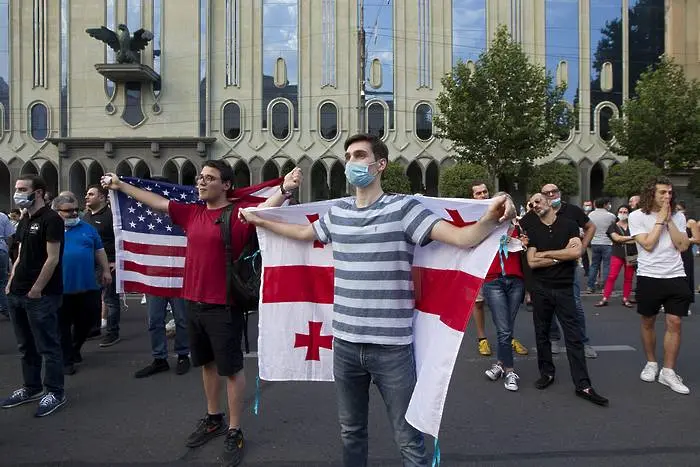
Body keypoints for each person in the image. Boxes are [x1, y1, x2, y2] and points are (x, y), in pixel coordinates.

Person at [239, 134, 515, 466]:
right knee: (350, 432)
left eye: (358, 155)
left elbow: (461, 237)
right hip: (344, 345)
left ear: (379, 164)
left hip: (392, 349)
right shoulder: (338, 212)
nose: (351, 162)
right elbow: (301, 233)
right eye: (348, 157)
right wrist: (258, 218)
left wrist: (489, 216)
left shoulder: (404, 209)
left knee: (408, 438)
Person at [102, 159, 302, 467]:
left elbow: (265, 208)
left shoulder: (236, 215)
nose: (201, 182)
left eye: (209, 178)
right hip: (192, 302)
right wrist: (121, 185)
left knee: (232, 370)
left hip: (223, 306)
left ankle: (234, 430)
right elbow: (157, 202)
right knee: (207, 365)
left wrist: (286, 190)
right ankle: (214, 418)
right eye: (200, 177)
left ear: (226, 185)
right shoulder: (192, 212)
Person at [525, 193, 608, 406]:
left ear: (549, 202)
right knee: (542, 333)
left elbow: (576, 253)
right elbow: (532, 262)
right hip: (541, 289)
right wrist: (559, 256)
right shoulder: (533, 229)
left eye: (538, 200)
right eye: (532, 203)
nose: (535, 205)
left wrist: (547, 255)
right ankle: (547, 373)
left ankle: (583, 385)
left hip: (564, 289)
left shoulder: (569, 224)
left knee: (573, 337)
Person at [1, 174, 67, 417]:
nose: (17, 192)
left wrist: (37, 289)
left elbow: (53, 258)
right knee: (25, 345)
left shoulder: (51, 219)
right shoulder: (25, 219)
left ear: (38, 192)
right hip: (17, 293)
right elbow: (19, 255)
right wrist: (10, 283)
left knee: (48, 346)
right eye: (17, 188)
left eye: (22, 189)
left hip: (41, 296)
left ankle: (55, 391)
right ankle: (31, 387)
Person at [519, 184, 598, 358]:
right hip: (544, 273)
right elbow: (518, 230)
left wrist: (583, 248)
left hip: (567, 272)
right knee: (548, 309)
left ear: (558, 194)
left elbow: (590, 227)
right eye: (546, 193)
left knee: (575, 306)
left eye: (553, 192)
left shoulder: (572, 212)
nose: (551, 194)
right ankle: (554, 337)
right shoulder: (534, 215)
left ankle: (583, 342)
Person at [629, 176, 691, 395]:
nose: (667, 196)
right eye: (663, 192)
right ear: (651, 194)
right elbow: (647, 244)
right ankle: (652, 362)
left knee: (675, 322)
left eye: (670, 193)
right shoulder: (637, 216)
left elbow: (683, 245)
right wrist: (659, 220)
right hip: (649, 276)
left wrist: (669, 220)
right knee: (648, 321)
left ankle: (668, 371)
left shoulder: (678, 216)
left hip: (676, 275)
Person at [52, 193, 111, 375]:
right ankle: (67, 359)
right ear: (57, 212)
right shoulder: (51, 230)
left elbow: (99, 250)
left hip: (87, 285)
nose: (73, 214)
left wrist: (106, 270)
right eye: (68, 211)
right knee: (62, 325)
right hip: (60, 287)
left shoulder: (88, 228)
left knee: (88, 323)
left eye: (76, 210)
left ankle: (74, 347)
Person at [470, 181, 528, 358]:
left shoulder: (507, 218)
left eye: (485, 192)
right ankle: (482, 339)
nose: (482, 195)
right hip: (481, 269)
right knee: (479, 303)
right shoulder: (473, 217)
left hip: (505, 272)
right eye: (478, 193)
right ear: (472, 196)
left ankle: (508, 338)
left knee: (506, 308)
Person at [482, 213, 527, 391]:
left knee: (507, 328)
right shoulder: (485, 228)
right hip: (493, 282)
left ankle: (500, 364)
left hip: (516, 281)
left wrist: (524, 243)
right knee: (504, 329)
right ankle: (510, 371)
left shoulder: (520, 228)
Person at [83, 185, 120, 346]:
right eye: (86, 194)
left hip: (109, 264)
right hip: (89, 265)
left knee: (110, 300)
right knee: (91, 299)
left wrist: (118, 262)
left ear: (102, 198)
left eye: (91, 194)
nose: (86, 197)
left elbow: (121, 239)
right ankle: (94, 328)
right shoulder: (86, 217)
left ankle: (113, 332)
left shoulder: (112, 216)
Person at [134, 294, 190, 378]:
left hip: (178, 283)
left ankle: (183, 355)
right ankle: (159, 359)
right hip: (155, 283)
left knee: (181, 319)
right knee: (154, 320)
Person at [596, 205, 637, 308]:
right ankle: (605, 297)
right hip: (617, 253)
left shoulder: (633, 226)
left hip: (631, 255)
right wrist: (632, 238)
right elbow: (616, 238)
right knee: (612, 276)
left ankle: (625, 298)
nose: (623, 213)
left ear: (629, 214)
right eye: (621, 211)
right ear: (617, 213)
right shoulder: (613, 226)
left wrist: (624, 239)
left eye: (625, 212)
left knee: (629, 277)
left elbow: (638, 239)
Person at [586, 198, 616, 294]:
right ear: (605, 205)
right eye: (608, 204)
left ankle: (590, 286)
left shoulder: (591, 215)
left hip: (595, 242)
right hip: (607, 243)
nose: (609, 205)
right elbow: (614, 226)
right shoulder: (611, 216)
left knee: (594, 265)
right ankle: (606, 287)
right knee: (607, 266)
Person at [675, 202, 695, 314]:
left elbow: (697, 239)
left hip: (686, 253)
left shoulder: (690, 222)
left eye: (680, 209)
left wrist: (685, 240)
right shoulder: (671, 222)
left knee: (686, 277)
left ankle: (686, 305)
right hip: (673, 253)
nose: (678, 212)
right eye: (676, 209)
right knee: (672, 278)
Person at [0, 210, 16, 319]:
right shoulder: (2, 216)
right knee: (3, 281)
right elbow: (10, 236)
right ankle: (7, 310)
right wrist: (7, 249)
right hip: (1, 250)